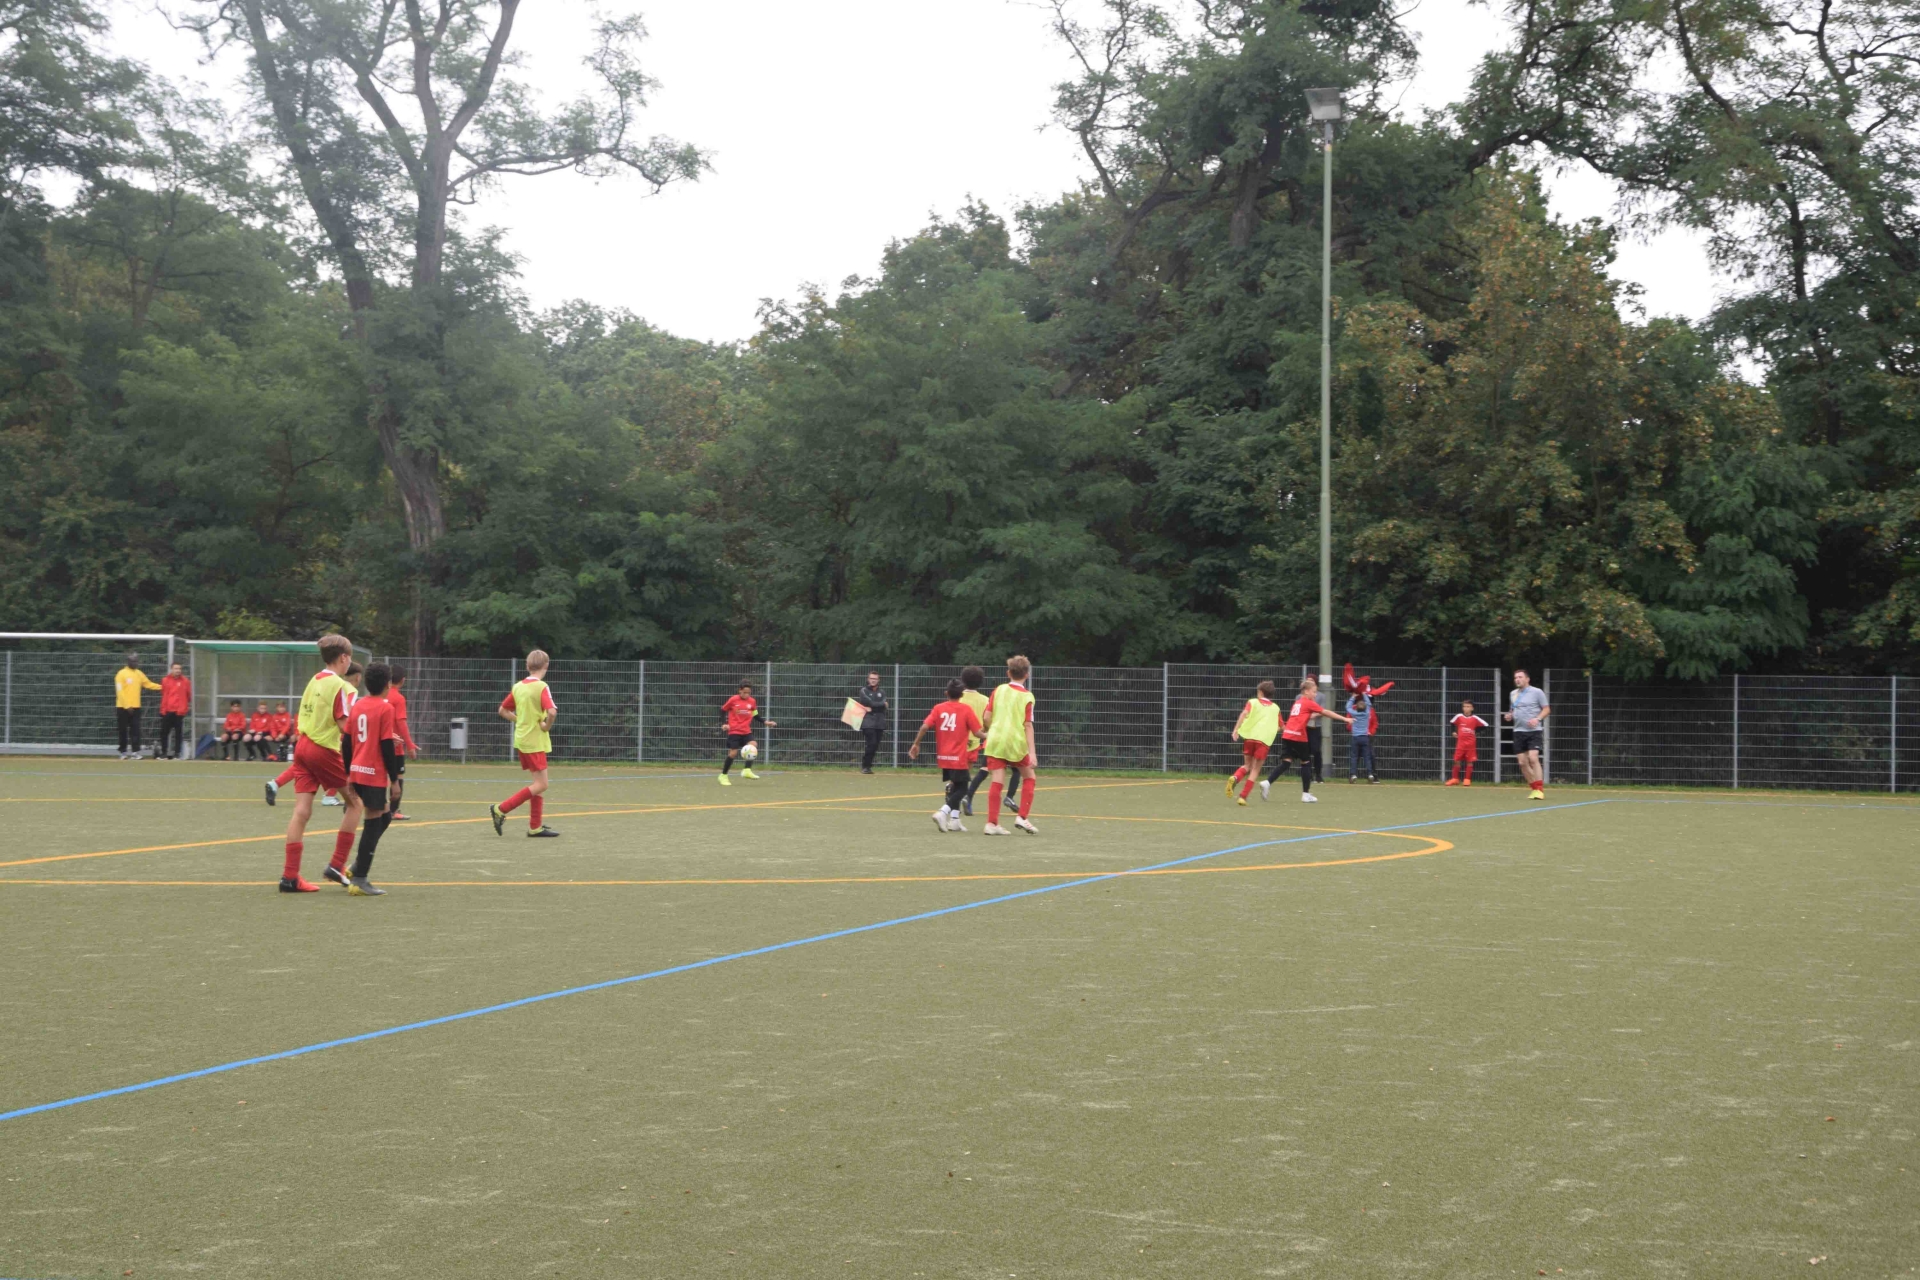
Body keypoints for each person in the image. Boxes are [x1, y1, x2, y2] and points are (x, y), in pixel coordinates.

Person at [278, 634, 363, 893]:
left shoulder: (314, 680)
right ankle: (337, 864)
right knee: (355, 803)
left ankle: (290, 877)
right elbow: (343, 724)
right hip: (323, 749)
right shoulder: (341, 685)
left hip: (302, 747)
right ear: (344, 658)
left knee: (301, 811)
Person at [342, 663, 404, 895]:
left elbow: (347, 742)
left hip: (357, 770)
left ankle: (357, 866)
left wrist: (348, 773)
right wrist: (394, 780)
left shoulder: (358, 705)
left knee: (384, 817)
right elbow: (386, 746)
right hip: (372, 773)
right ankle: (360, 878)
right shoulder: (385, 708)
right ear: (388, 684)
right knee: (373, 821)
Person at [490, 649, 560, 837]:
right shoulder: (541, 686)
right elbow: (552, 712)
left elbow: (503, 710)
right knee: (542, 785)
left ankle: (535, 827)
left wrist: (519, 720)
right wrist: (546, 726)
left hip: (522, 740)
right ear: (546, 666)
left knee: (537, 783)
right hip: (534, 741)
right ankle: (501, 809)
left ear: (528, 666)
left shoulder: (518, 687)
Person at [907, 678, 983, 832]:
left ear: (946, 693)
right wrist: (993, 735)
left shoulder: (938, 708)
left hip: (943, 756)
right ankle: (943, 812)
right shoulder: (966, 709)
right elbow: (977, 733)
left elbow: (924, 726)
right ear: (962, 695)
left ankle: (954, 820)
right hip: (958, 757)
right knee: (963, 789)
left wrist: (916, 744)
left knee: (956, 786)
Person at [1262, 677, 1353, 803]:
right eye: (1314, 692)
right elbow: (1325, 712)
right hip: (1298, 736)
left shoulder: (1298, 702)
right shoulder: (1307, 702)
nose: (1315, 694)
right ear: (1306, 691)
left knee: (1286, 763)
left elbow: (1301, 717)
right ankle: (1305, 794)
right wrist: (1345, 719)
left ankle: (1267, 782)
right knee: (1306, 762)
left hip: (1287, 735)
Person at [980, 655, 1040, 836]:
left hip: (996, 740)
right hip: (1015, 742)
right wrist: (1032, 753)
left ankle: (991, 823)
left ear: (1008, 673)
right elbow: (1027, 725)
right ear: (1027, 675)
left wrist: (991, 730)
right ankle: (1022, 817)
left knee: (997, 780)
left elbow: (986, 717)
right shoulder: (1027, 696)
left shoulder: (999, 690)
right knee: (1029, 776)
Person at [1227, 680, 1281, 806]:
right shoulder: (1275, 708)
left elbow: (1244, 714)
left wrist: (1236, 730)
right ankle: (1243, 797)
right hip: (1263, 741)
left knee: (1247, 765)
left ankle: (1235, 777)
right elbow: (1280, 726)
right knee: (1255, 769)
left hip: (1250, 738)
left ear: (1260, 692)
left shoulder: (1252, 702)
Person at [1504, 669, 1550, 800]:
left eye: (1520, 677)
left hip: (1534, 731)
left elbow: (1547, 709)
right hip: (1518, 731)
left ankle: (1540, 789)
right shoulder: (1513, 694)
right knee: (1522, 762)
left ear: (1527, 679)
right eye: (1515, 678)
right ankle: (1534, 789)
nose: (1517, 679)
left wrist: (1537, 719)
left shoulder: (1537, 692)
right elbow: (1513, 710)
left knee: (1533, 758)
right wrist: (1509, 715)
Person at [717, 680, 774, 786]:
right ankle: (723, 775)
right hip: (734, 731)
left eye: (748, 693)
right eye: (744, 692)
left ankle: (747, 770)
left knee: (753, 745)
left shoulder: (752, 701)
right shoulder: (733, 700)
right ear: (740, 690)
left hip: (746, 731)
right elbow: (723, 710)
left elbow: (755, 714)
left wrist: (765, 722)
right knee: (733, 753)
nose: (747, 695)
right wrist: (724, 723)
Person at [957, 665, 991, 816]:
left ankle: (952, 790)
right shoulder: (985, 700)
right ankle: (962, 797)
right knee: (966, 773)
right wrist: (985, 731)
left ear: (963, 680)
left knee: (957, 772)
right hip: (975, 741)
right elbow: (987, 719)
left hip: (957, 741)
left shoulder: (958, 697)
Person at [113, 654, 161, 760]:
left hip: (136, 707)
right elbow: (119, 691)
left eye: (136, 661)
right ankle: (123, 752)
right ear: (128, 662)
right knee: (123, 730)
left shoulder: (139, 673)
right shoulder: (121, 674)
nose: (136, 663)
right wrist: (127, 706)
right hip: (122, 707)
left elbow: (148, 684)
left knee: (135, 730)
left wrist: (162, 687)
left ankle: (135, 752)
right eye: (133, 661)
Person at [387, 665, 417, 820]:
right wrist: (410, 745)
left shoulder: (381, 695)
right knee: (398, 776)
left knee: (378, 776)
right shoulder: (398, 698)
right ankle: (393, 811)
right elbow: (401, 722)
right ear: (403, 680)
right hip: (394, 745)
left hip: (377, 743)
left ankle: (376, 808)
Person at [853, 670, 889, 773]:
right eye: (871, 678)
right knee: (871, 743)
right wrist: (880, 705)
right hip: (868, 721)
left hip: (880, 722)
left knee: (876, 745)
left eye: (875, 679)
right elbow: (868, 702)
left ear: (878, 680)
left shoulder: (882, 692)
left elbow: (882, 705)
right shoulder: (864, 691)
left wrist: (874, 706)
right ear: (868, 679)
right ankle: (865, 766)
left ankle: (868, 766)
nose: (873, 680)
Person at [1446, 701, 1489, 786]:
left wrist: (1476, 732)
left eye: (1468, 706)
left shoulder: (1475, 718)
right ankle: (1455, 779)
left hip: (1471, 744)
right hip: (1460, 743)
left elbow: (1486, 725)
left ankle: (1467, 779)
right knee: (1456, 760)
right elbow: (1452, 723)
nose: (1466, 708)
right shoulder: (1459, 716)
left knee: (1470, 761)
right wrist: (1453, 731)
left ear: (1472, 708)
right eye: (1464, 706)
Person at [157, 662, 191, 759]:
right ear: (171, 669)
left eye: (179, 668)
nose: (178, 670)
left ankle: (177, 754)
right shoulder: (165, 680)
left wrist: (183, 707)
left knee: (178, 733)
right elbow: (164, 694)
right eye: (176, 668)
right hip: (167, 711)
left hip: (179, 712)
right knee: (164, 732)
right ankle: (164, 753)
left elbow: (188, 696)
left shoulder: (185, 681)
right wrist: (163, 708)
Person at [1346, 685, 1375, 783]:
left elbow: (1348, 707)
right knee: (1367, 757)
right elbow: (1369, 704)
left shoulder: (1354, 713)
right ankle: (1370, 774)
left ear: (1356, 708)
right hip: (1365, 737)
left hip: (1355, 738)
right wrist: (1364, 694)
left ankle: (1353, 775)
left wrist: (1353, 697)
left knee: (1354, 757)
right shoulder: (1367, 713)